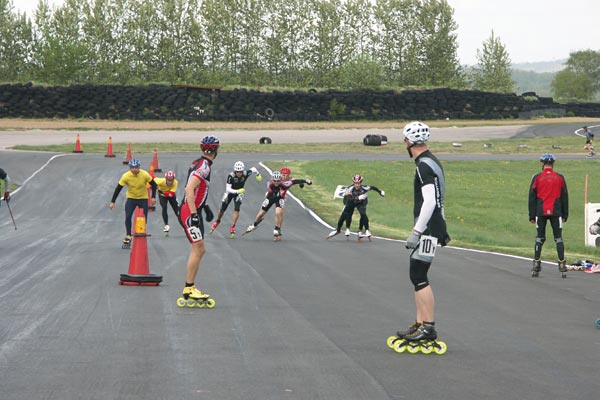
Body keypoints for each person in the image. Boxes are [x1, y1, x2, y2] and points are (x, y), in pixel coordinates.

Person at [397, 121, 451, 344]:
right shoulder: (431, 161)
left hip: (428, 228)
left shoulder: (423, 166)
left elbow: (429, 202)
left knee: (419, 276)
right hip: (433, 225)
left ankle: (428, 327)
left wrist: (416, 231)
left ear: (409, 142)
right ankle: (420, 323)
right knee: (416, 275)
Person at [177, 135, 220, 304]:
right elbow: (189, 189)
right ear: (216, 150)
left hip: (193, 209)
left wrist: (205, 207)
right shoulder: (204, 167)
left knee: (199, 250)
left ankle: (189, 287)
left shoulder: (199, 163)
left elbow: (198, 190)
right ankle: (189, 288)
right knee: (198, 249)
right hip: (189, 212)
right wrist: (195, 215)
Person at [528, 153, 569, 277]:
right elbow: (564, 196)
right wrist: (565, 214)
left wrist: (531, 215)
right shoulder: (560, 177)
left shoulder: (537, 177)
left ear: (542, 164)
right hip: (556, 212)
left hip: (540, 211)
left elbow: (532, 197)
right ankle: (562, 264)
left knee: (540, 238)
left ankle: (536, 264)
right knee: (558, 238)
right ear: (553, 164)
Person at [243, 169, 312, 241]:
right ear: (272, 180)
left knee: (278, 212)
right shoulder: (269, 183)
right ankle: (254, 225)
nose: (276, 182)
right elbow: (273, 192)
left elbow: (295, 181)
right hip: (270, 197)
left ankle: (277, 229)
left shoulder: (286, 183)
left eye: (278, 181)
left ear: (280, 180)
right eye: (274, 181)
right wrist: (278, 193)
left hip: (280, 198)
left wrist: (306, 181)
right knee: (260, 214)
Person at [109, 159, 157, 246]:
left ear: (139, 167)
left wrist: (153, 197)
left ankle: (141, 230)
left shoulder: (144, 174)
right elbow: (118, 188)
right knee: (128, 216)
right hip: (131, 198)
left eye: (136, 167)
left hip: (143, 198)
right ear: (130, 168)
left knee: (144, 217)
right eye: (132, 168)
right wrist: (113, 201)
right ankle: (128, 235)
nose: (134, 169)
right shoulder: (126, 176)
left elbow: (154, 184)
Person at [210, 161, 262, 238]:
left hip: (239, 193)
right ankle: (218, 220)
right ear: (235, 171)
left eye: (240, 171)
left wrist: (258, 175)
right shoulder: (231, 176)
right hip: (230, 192)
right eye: (237, 172)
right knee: (222, 209)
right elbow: (228, 189)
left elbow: (254, 169)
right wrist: (237, 191)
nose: (239, 173)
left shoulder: (246, 173)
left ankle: (233, 226)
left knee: (237, 209)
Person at [327, 174, 385, 241]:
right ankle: (338, 230)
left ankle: (366, 230)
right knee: (344, 215)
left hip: (361, 202)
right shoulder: (350, 188)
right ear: (353, 183)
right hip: (351, 201)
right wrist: (356, 198)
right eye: (355, 183)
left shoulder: (364, 188)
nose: (357, 185)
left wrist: (380, 192)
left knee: (363, 213)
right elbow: (347, 196)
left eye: (358, 183)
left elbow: (373, 187)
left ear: (361, 183)